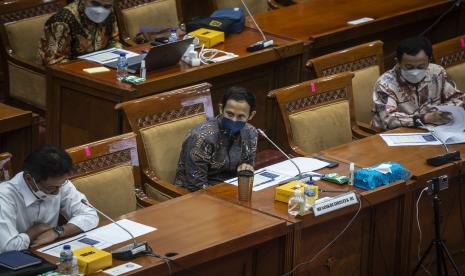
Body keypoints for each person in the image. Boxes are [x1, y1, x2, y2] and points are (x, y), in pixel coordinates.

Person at [0, 145, 99, 253]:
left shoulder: (60, 183)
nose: (57, 192)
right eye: (51, 188)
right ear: (29, 179)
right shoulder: (4, 197)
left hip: (49, 251)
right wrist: (34, 232)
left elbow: (90, 215)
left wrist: (57, 231)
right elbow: (7, 248)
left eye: (61, 185)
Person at [174, 86, 258, 191]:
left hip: (232, 190)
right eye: (230, 114)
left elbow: (247, 168)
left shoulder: (251, 132)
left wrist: (246, 170)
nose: (234, 120)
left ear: (251, 115)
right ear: (221, 108)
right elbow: (195, 186)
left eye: (241, 116)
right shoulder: (201, 138)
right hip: (196, 196)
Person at [372, 36, 464, 130]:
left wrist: (440, 112)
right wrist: (425, 118)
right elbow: (388, 118)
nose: (415, 72)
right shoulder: (385, 84)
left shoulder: (437, 72)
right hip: (398, 134)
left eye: (421, 67)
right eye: (409, 67)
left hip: (436, 129)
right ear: (398, 62)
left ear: (429, 61)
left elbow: (457, 99)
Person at [37, 0, 120, 65]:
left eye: (107, 6)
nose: (100, 11)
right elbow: (53, 62)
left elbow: (114, 41)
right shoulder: (62, 21)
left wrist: (118, 57)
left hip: (99, 67)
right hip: (66, 76)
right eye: (95, 3)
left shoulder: (110, 13)